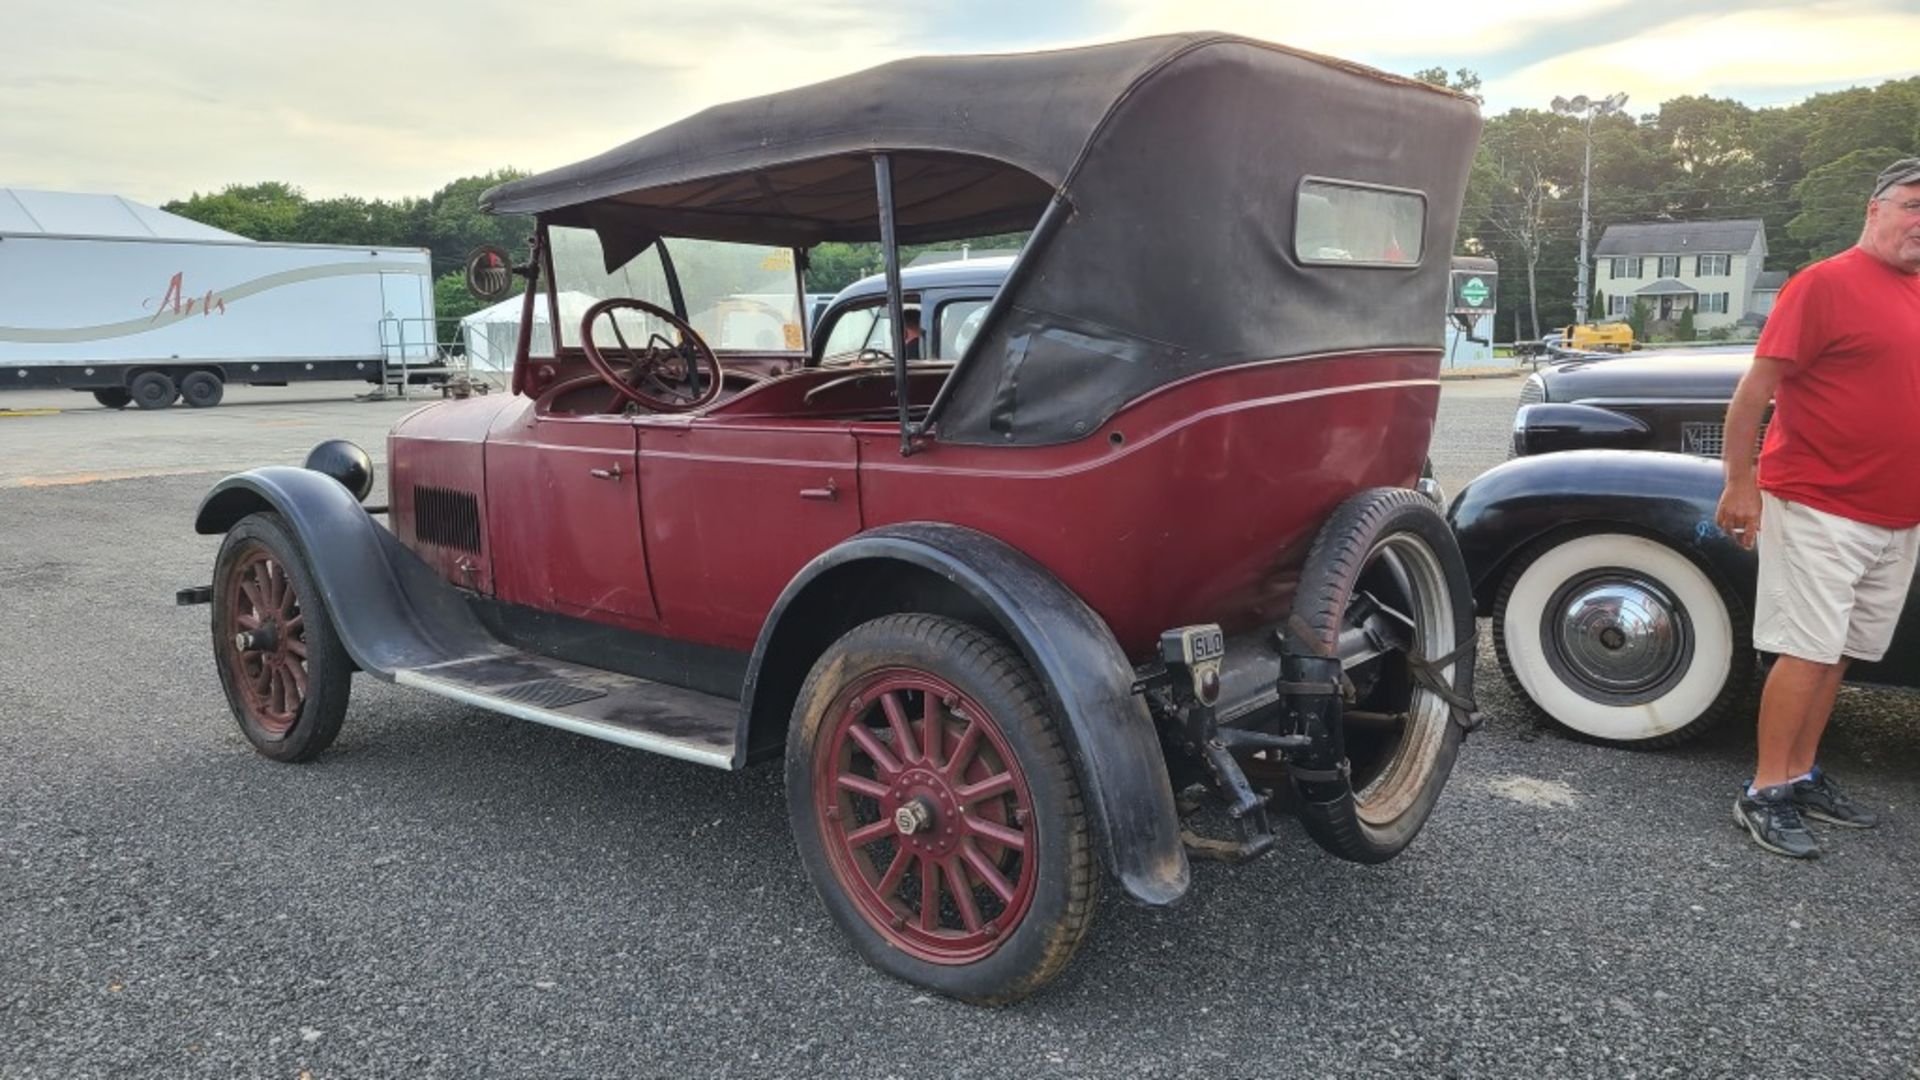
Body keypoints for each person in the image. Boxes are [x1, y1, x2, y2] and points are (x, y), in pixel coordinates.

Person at [1715, 156, 1920, 858]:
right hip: (1819, 503)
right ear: (1876, 208)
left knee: (1838, 655)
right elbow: (1754, 392)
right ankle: (1764, 791)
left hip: (1897, 516)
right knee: (1806, 651)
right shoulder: (1824, 283)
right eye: (1913, 204)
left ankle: (1800, 773)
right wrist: (1739, 483)